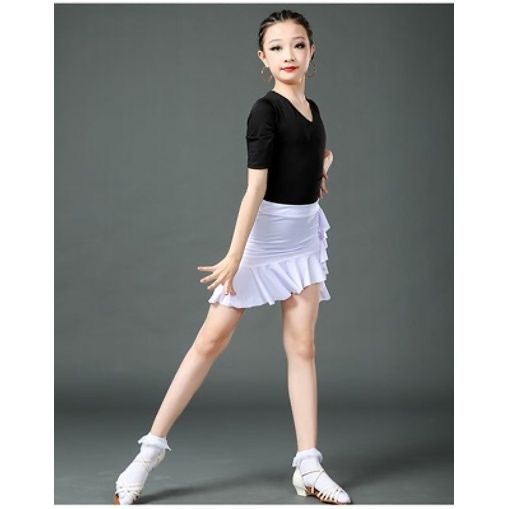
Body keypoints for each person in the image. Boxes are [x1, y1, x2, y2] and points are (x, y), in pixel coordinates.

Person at [113, 9, 352, 505]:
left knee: (302, 347)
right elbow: (255, 190)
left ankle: (309, 466)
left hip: (305, 235)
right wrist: (234, 255)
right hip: (266, 236)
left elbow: (310, 152)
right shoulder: (264, 110)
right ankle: (148, 452)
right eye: (277, 47)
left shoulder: (312, 107)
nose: (289, 55)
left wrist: (323, 166)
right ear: (262, 57)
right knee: (210, 340)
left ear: (312, 51)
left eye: (298, 44)